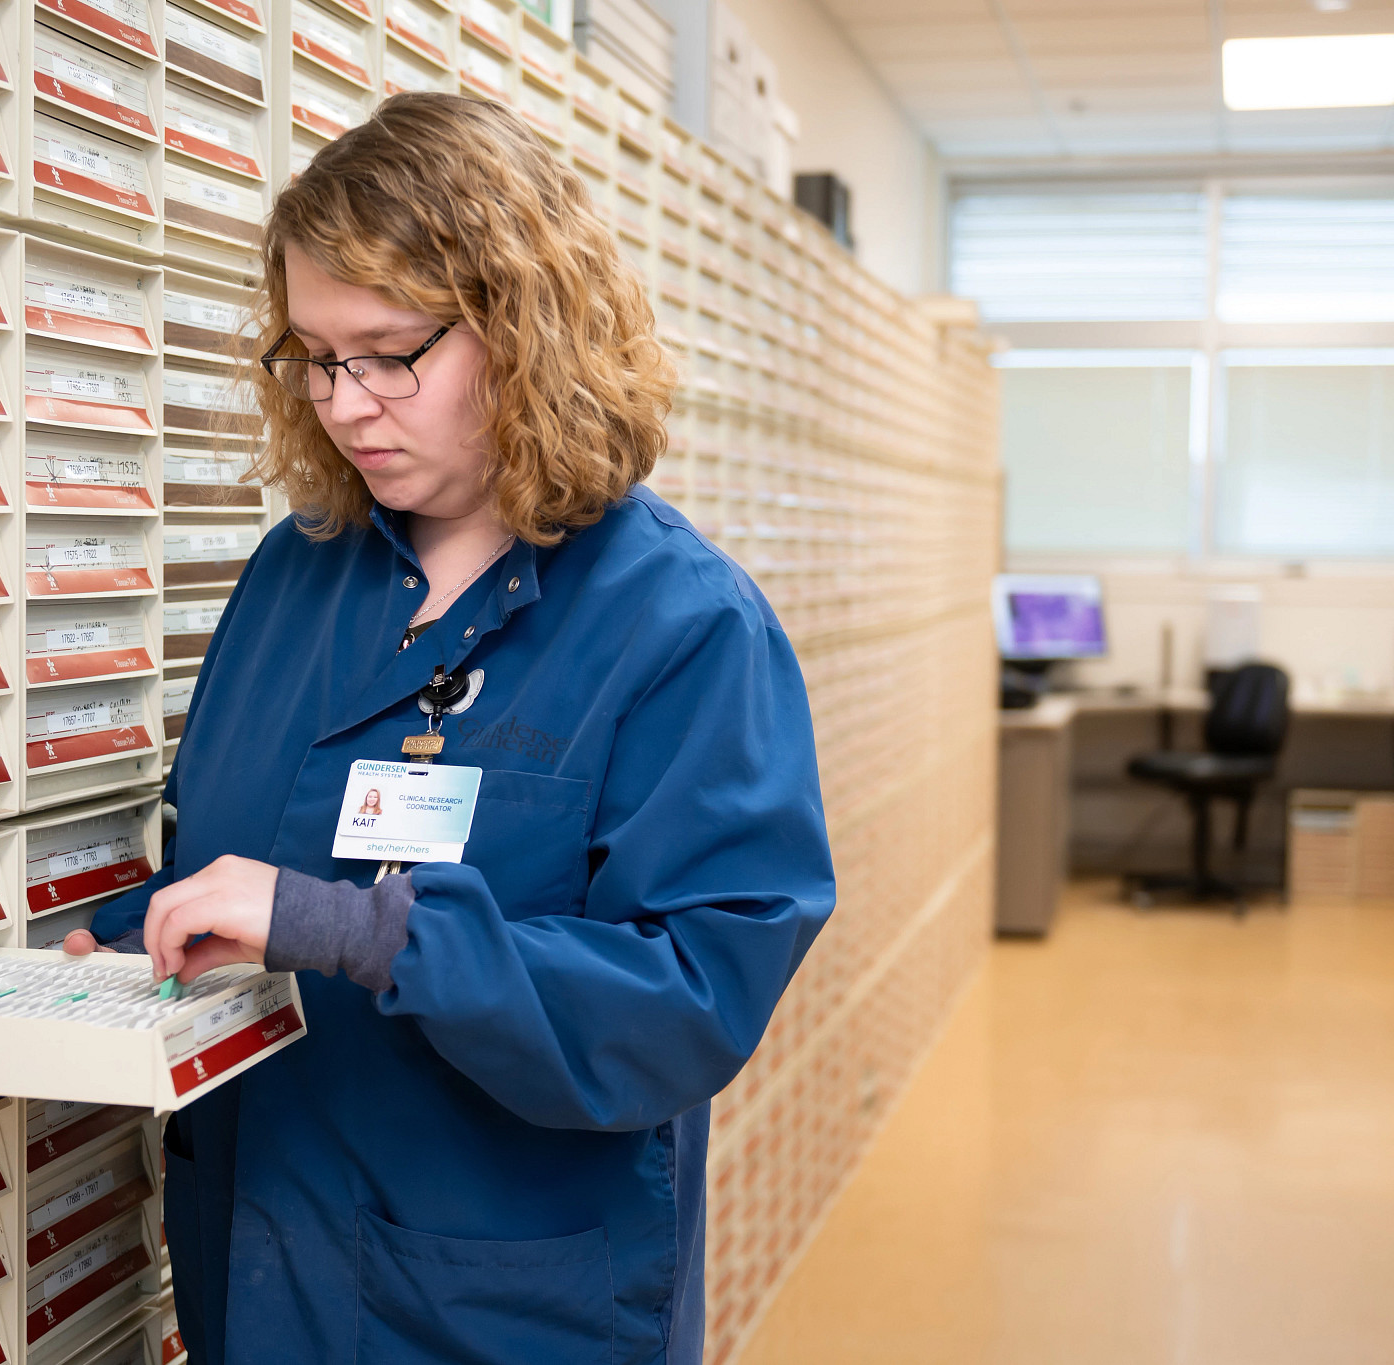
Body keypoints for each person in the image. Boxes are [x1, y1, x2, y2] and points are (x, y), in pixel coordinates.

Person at [66, 91, 834, 1364]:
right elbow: (250, 861)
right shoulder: (291, 580)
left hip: (493, 1305)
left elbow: (691, 995)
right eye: (313, 356)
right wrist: (120, 939)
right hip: (260, 1273)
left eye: (388, 352)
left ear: (526, 332)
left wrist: (358, 932)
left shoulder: (680, 628)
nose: (347, 404)